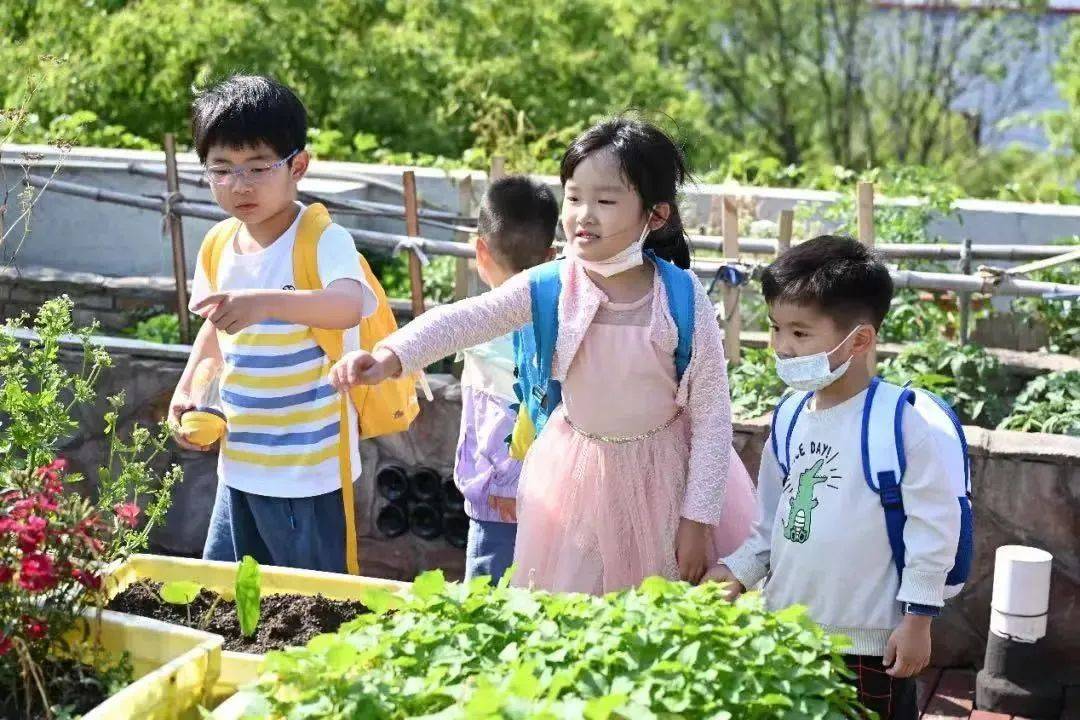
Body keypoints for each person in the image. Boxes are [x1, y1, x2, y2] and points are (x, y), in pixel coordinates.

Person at [330, 117, 756, 595]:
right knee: (576, 610)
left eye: (606, 201)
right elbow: (464, 318)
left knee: (659, 614)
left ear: (655, 216)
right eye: (573, 198)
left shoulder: (680, 296)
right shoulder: (551, 285)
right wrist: (390, 356)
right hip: (577, 484)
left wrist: (697, 519)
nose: (584, 215)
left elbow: (712, 413)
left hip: (667, 484)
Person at [707, 235, 962, 720]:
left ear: (860, 340)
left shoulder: (898, 422)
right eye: (776, 328)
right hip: (787, 629)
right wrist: (739, 571)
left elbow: (934, 528)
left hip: (867, 644)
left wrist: (918, 620)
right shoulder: (789, 414)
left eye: (800, 333)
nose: (783, 347)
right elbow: (772, 521)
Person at [169, 74, 377, 572]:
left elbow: (348, 305)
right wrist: (187, 390)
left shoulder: (321, 238)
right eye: (222, 169)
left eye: (259, 167)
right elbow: (214, 329)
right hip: (238, 462)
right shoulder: (218, 244)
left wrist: (265, 303)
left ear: (297, 166)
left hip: (308, 471)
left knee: (313, 600)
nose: (240, 185)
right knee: (226, 594)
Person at [455, 175, 558, 583]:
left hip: (495, 503)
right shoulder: (557, 320)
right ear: (551, 256)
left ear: (481, 251)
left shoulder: (478, 322)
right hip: (551, 502)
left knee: (486, 603)